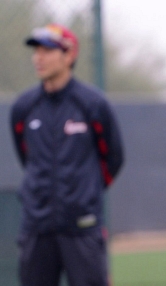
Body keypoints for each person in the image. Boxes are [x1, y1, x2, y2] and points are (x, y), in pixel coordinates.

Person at [9, 23, 124, 286]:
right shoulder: (23, 108)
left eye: (47, 50)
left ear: (69, 55)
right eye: (36, 50)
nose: (38, 57)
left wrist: (86, 190)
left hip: (82, 228)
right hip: (36, 228)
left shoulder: (93, 104)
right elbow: (27, 158)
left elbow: (114, 158)